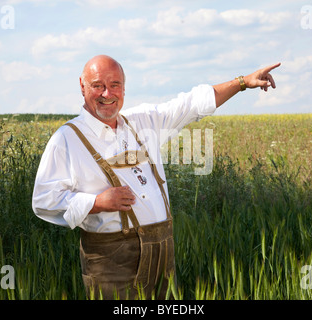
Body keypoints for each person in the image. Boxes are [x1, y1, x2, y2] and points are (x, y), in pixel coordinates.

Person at [32, 54, 280, 299]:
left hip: (163, 255)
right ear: (82, 86)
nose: (107, 94)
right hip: (112, 264)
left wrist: (243, 83)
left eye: (114, 85)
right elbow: (44, 200)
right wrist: (96, 203)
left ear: (124, 88)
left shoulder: (142, 122)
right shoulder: (66, 139)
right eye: (98, 86)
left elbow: (192, 104)